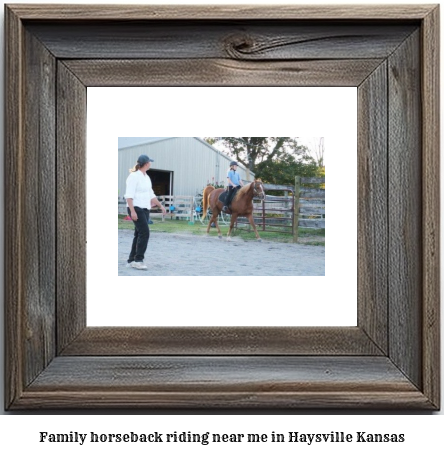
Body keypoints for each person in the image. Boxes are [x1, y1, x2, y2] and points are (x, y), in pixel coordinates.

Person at [124, 154, 166, 270]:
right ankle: (138, 260)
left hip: (145, 208)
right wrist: (132, 211)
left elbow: (151, 195)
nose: (150, 164)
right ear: (146, 164)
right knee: (145, 233)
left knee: (138, 234)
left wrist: (160, 205)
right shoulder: (133, 176)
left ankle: (131, 260)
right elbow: (129, 196)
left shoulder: (146, 177)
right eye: (150, 162)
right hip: (135, 208)